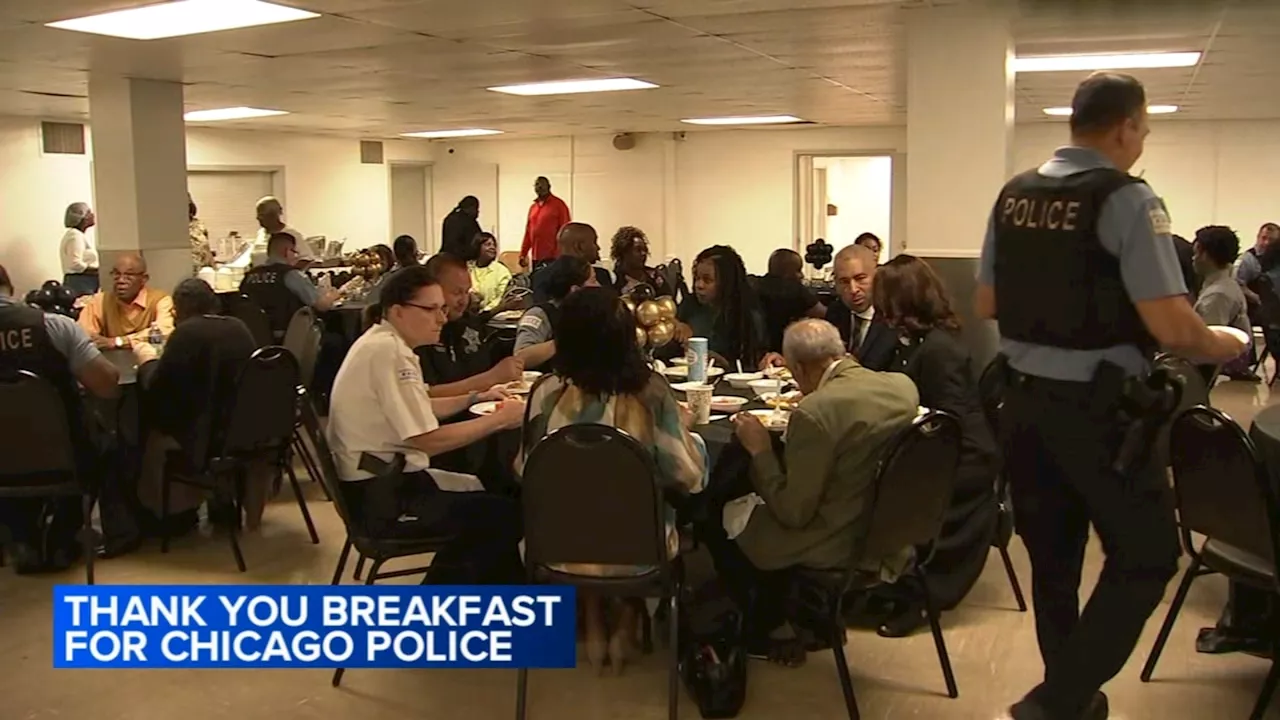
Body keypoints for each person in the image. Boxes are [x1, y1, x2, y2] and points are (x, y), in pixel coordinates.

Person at [975, 72, 1246, 720]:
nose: (1141, 145)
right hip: (1098, 412)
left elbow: (986, 301)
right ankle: (1059, 699)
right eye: (1143, 132)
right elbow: (1172, 325)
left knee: (1054, 562)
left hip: (1022, 405)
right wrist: (1227, 342)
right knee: (1149, 554)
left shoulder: (1014, 195)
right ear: (1125, 126)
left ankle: (1070, 702)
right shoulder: (1127, 199)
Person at [701, 318, 918, 666]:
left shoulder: (816, 413)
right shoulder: (902, 387)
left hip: (837, 538)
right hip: (887, 527)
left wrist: (761, 451)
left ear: (799, 367)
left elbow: (793, 512)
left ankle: (764, 626)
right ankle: (806, 612)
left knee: (718, 511)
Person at [518, 286, 706, 672]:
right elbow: (689, 476)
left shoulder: (546, 394)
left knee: (582, 509)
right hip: (639, 550)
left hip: (555, 547)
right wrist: (690, 436)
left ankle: (590, 614)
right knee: (632, 510)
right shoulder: (650, 393)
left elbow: (525, 470)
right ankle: (625, 612)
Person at [327, 265, 524, 584]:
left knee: (495, 500)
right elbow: (427, 440)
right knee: (505, 516)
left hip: (376, 483)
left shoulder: (382, 342)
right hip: (382, 498)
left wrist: (474, 398)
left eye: (442, 309)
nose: (442, 319)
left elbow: (417, 407)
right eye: (430, 309)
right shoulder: (390, 354)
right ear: (398, 311)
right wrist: (501, 419)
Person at [866, 254, 998, 636]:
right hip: (939, 449)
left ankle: (922, 597)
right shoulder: (915, 341)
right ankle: (888, 582)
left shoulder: (940, 350)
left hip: (964, 460)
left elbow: (949, 422)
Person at [0, 263, 119, 572]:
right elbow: (106, 386)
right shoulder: (54, 326)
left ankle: (21, 538)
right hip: (62, 454)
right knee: (107, 444)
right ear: (9, 287)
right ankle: (62, 538)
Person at [136, 279, 261, 537]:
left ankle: (167, 515)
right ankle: (220, 500)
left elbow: (158, 388)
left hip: (205, 435)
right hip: (243, 430)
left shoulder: (187, 334)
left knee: (139, 429)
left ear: (178, 309)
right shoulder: (238, 327)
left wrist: (146, 359)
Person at [760, 244, 897, 372]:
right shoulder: (837, 312)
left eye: (860, 278)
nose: (853, 289)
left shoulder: (894, 318)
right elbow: (822, 360)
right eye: (844, 282)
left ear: (877, 276)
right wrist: (788, 364)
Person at [417, 253, 523, 397]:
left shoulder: (470, 324)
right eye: (457, 292)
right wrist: (491, 378)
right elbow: (426, 395)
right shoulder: (420, 335)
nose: (463, 300)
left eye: (466, 292)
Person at [674, 245, 766, 369]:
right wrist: (674, 325)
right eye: (696, 278)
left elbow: (754, 365)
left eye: (707, 280)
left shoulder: (747, 315)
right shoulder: (689, 305)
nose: (698, 285)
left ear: (726, 282)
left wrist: (724, 364)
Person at [239, 232, 339, 339]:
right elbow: (321, 306)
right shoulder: (291, 275)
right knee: (335, 341)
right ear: (287, 251)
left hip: (253, 338)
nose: (296, 256)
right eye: (294, 252)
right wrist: (334, 295)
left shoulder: (249, 275)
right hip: (288, 336)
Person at [77, 253, 175, 357]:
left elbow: (165, 331)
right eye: (116, 274)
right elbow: (81, 335)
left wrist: (118, 341)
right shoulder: (100, 301)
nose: (121, 280)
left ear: (144, 279)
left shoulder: (160, 300)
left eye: (129, 275)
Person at [514, 255, 599, 370]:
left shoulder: (595, 313)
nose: (598, 286)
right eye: (593, 281)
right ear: (575, 290)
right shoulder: (540, 314)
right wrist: (565, 341)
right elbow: (520, 358)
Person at [1191, 226, 1254, 380]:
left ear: (1205, 255)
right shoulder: (1226, 284)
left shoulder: (1218, 295)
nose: (1193, 258)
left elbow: (1206, 346)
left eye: (1195, 253)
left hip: (1201, 370)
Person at [754, 248, 826, 351]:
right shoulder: (795, 290)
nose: (801, 275)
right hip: (786, 351)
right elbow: (824, 314)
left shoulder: (755, 285)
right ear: (787, 271)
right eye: (798, 270)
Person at [531, 222, 611, 303]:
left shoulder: (540, 277)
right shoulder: (601, 276)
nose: (598, 248)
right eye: (594, 242)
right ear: (579, 246)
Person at [520, 176, 572, 271]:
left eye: (542, 184)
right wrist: (523, 253)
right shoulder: (533, 207)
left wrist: (559, 254)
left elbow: (566, 231)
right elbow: (528, 232)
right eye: (537, 184)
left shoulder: (559, 205)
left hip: (553, 257)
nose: (539, 187)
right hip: (536, 257)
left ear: (549, 186)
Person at [611, 226, 671, 297]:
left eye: (645, 250)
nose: (643, 253)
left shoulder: (655, 277)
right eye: (638, 250)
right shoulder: (614, 280)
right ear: (624, 252)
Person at [59, 202, 99, 297]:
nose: (93, 215)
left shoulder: (79, 235)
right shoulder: (75, 236)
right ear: (82, 218)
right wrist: (99, 271)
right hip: (80, 283)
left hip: (85, 283)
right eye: (89, 212)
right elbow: (75, 264)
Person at [469, 232, 513, 312]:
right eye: (488, 244)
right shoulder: (468, 269)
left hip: (494, 315)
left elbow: (503, 298)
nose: (492, 248)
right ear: (477, 247)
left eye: (494, 245)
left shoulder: (501, 271)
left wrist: (486, 311)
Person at [189, 194, 214, 271]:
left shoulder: (199, 225)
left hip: (204, 272)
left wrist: (214, 269)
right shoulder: (172, 228)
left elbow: (207, 249)